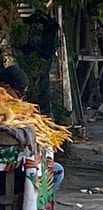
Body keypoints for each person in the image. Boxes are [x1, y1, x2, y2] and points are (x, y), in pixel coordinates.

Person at [0, 65, 65, 194]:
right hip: (5, 177)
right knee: (55, 171)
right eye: (18, 94)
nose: (19, 99)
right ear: (5, 87)